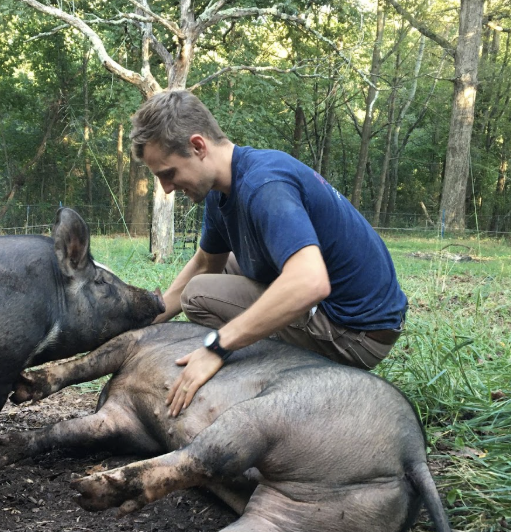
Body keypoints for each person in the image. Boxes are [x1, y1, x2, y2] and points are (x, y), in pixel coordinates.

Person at [130, 90, 407, 416]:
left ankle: (275, 386)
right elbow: (206, 263)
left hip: (356, 333)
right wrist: (141, 324)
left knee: (198, 295)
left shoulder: (265, 185)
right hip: (345, 313)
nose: (165, 188)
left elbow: (310, 282)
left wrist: (217, 345)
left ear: (198, 146)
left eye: (168, 173)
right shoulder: (223, 191)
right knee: (224, 269)